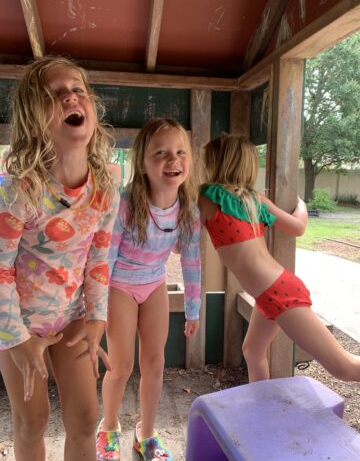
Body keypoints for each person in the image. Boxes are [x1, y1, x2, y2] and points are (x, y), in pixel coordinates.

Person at [0, 56, 120, 461]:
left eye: (78, 90)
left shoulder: (105, 187)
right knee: (31, 421)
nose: (71, 97)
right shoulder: (19, 190)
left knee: (86, 419)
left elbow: (99, 261)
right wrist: (16, 341)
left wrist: (97, 321)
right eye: (56, 94)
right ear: (35, 118)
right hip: (19, 324)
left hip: (72, 318)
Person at [199, 133, 360, 383]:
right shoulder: (254, 200)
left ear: (217, 163)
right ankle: (261, 410)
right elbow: (298, 226)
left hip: (279, 294)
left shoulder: (208, 195)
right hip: (273, 290)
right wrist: (301, 204)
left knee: (346, 368)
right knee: (252, 351)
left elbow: (183, 237)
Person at [96, 118, 201, 461]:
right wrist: (96, 310)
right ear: (143, 162)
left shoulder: (188, 209)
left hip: (154, 283)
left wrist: (193, 309)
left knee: (155, 364)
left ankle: (146, 435)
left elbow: (191, 260)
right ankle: (108, 428)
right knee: (121, 365)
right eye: (162, 153)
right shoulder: (125, 205)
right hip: (119, 286)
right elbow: (105, 260)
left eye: (180, 152)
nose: (173, 160)